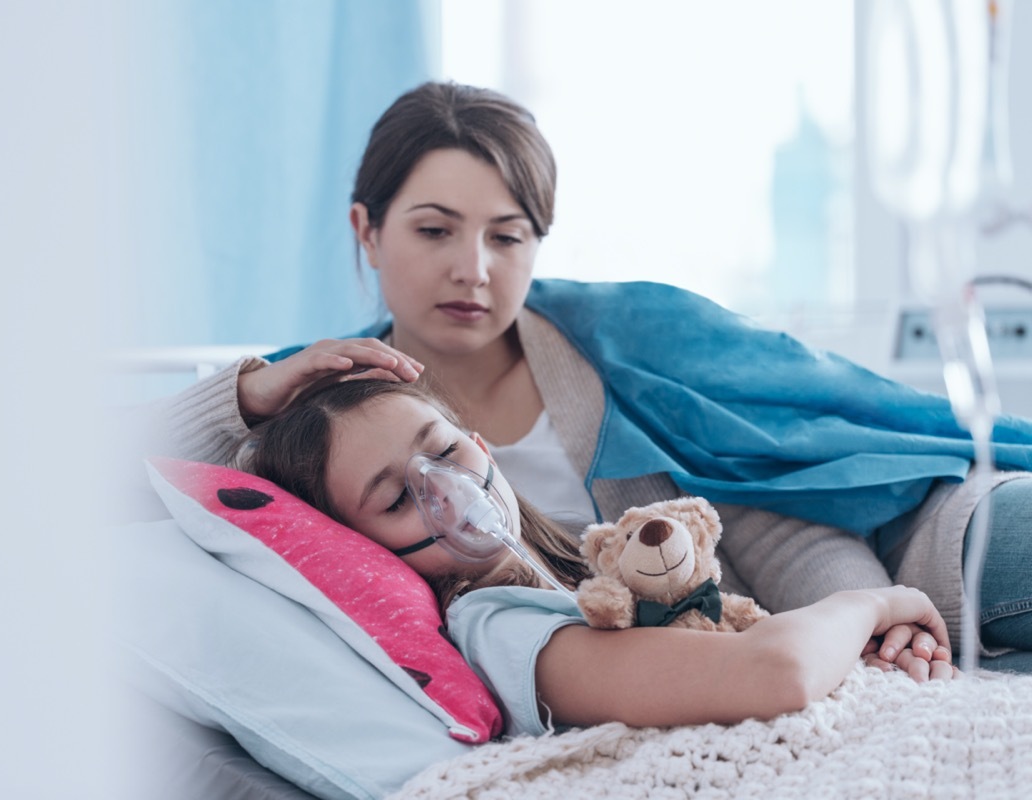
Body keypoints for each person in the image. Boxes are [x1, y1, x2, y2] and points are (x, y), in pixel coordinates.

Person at [161, 80, 1032, 672]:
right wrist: (245, 394)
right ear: (366, 228)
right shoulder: (323, 420)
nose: (473, 268)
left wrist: (883, 614)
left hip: (910, 540)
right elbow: (79, 483)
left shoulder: (620, 340)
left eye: (507, 237)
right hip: (783, 645)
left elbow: (776, 523)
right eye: (434, 231)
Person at [238, 377, 958, 735]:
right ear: (364, 553)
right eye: (396, 499)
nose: (449, 494)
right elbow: (777, 672)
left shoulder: (589, 568)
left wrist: (866, 646)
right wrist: (872, 603)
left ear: (480, 445)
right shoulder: (499, 627)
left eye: (444, 451)